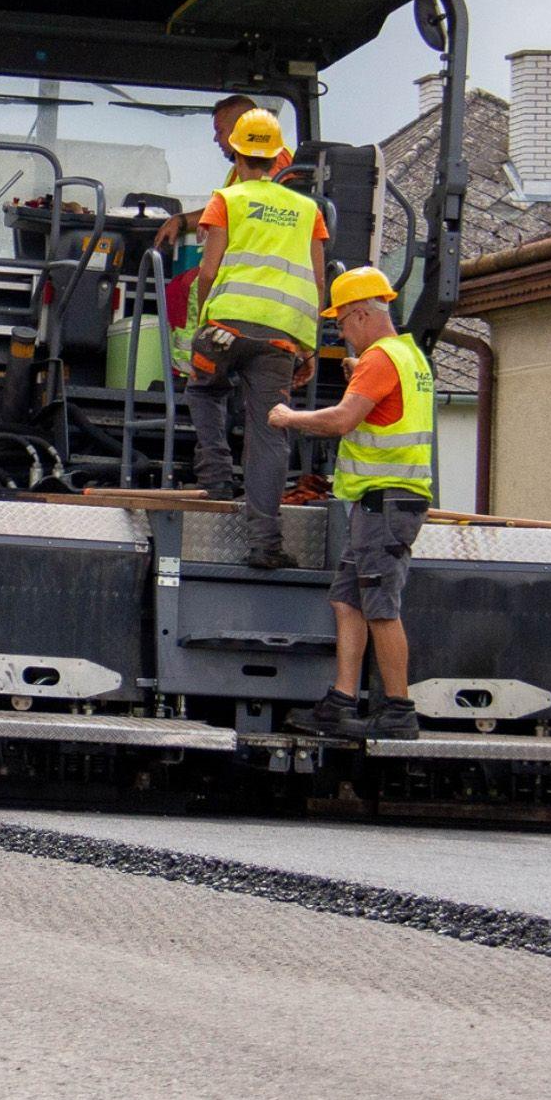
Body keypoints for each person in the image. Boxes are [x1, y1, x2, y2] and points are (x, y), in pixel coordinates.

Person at [268, 267, 436, 739]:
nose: (340, 332)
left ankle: (399, 709)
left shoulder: (380, 359)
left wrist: (289, 416)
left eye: (341, 322)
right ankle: (341, 701)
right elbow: (381, 409)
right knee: (348, 600)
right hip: (376, 502)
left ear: (362, 314)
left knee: (381, 604)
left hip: (387, 503)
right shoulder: (408, 356)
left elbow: (343, 420)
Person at [181, 108, 327, 569]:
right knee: (269, 435)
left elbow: (207, 269)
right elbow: (319, 283)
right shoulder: (310, 211)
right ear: (278, 157)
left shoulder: (226, 199)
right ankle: (265, 544)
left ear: (239, 153)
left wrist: (206, 317)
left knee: (203, 389)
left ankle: (218, 479)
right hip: (282, 341)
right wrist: (309, 346)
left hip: (225, 330)